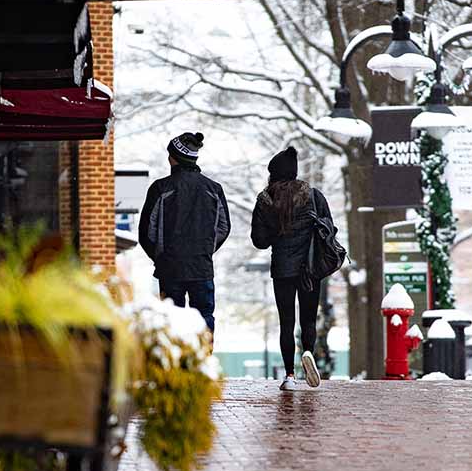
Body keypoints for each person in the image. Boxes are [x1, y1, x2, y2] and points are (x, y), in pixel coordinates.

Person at [251, 146, 333, 390]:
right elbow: (329, 227)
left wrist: (277, 230)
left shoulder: (266, 200)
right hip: (310, 268)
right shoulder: (314, 196)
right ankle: (307, 352)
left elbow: (259, 241)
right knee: (308, 320)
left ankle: (289, 375)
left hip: (282, 270)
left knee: (286, 322)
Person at [138, 131, 231, 334]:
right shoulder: (214, 189)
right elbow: (224, 227)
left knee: (172, 320)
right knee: (204, 317)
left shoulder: (160, 188)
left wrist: (160, 256)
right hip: (202, 267)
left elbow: (146, 232)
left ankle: (177, 364)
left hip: (170, 268)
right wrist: (205, 250)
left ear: (175, 158)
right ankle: (203, 359)